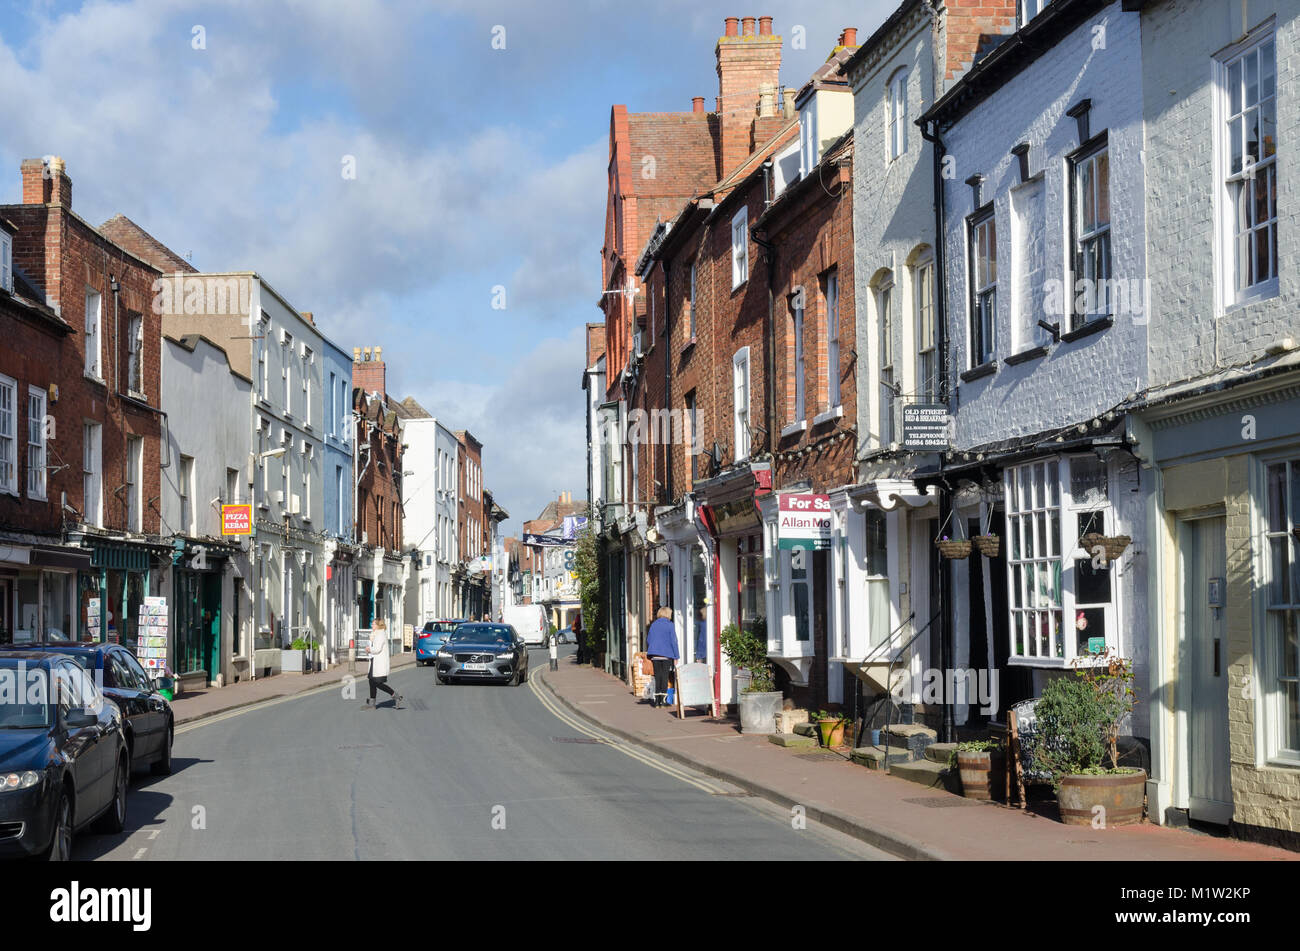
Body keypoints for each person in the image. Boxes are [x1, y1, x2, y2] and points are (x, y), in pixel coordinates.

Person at [362, 618, 404, 711]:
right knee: (371, 681)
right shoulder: (374, 635)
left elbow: (377, 649)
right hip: (374, 660)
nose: (371, 626)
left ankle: (395, 696)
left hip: (379, 663)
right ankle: (372, 704)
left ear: (378, 625)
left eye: (373, 624)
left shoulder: (380, 634)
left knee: (377, 683)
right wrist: (369, 649)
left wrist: (369, 649)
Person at [644, 606, 679, 708]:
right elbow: (674, 641)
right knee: (664, 677)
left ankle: (657, 701)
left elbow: (649, 639)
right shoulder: (670, 625)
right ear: (668, 614)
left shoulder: (653, 625)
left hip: (655, 655)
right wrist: (676, 656)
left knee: (657, 677)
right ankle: (663, 702)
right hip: (666, 655)